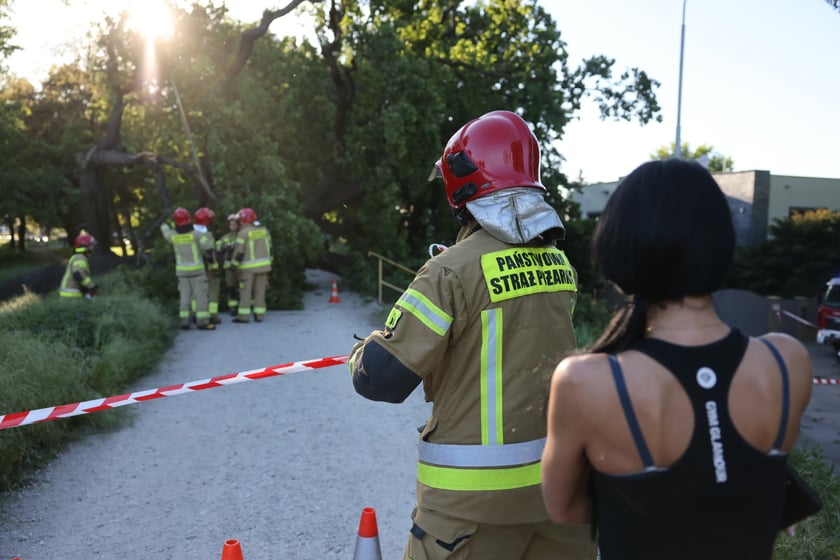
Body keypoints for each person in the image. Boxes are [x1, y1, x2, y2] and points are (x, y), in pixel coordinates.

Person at [348, 110, 595, 560]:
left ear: (460, 183)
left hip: (467, 510)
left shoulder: (451, 271)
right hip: (558, 496)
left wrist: (364, 350)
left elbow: (379, 380)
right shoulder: (561, 267)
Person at [540, 159, 814, 559]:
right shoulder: (788, 361)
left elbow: (563, 508)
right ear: (720, 244)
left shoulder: (588, 381)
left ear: (619, 243)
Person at [160, 207, 216, 331]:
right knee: (201, 296)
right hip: (198, 271)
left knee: (184, 297)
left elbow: (165, 233)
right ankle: (203, 322)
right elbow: (209, 247)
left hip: (182, 272)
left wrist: (164, 223)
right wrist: (211, 260)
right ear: (189, 219)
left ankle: (184, 322)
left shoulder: (173, 236)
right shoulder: (196, 235)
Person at [231, 207, 272, 323]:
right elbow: (270, 248)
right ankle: (259, 315)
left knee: (245, 292)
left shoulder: (243, 233)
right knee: (260, 291)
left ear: (244, 220)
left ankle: (243, 317)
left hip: (248, 268)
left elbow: (239, 252)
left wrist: (233, 265)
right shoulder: (265, 230)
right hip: (264, 267)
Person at [194, 207, 222, 324]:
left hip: (195, 268)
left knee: (196, 292)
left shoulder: (191, 233)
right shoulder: (207, 235)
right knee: (213, 290)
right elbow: (210, 253)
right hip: (208, 268)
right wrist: (215, 268)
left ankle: (196, 315)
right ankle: (212, 315)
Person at [217, 213, 241, 317]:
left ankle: (244, 307)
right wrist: (224, 247)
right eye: (231, 224)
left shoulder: (242, 235)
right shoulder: (224, 237)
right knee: (231, 288)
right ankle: (232, 308)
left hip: (241, 267)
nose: (233, 226)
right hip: (228, 268)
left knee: (243, 288)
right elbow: (217, 249)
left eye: (235, 224)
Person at [59, 233, 98, 298]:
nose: (93, 248)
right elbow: (78, 274)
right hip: (72, 293)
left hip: (70, 292)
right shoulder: (80, 258)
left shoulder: (78, 256)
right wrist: (91, 286)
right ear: (85, 246)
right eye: (91, 245)